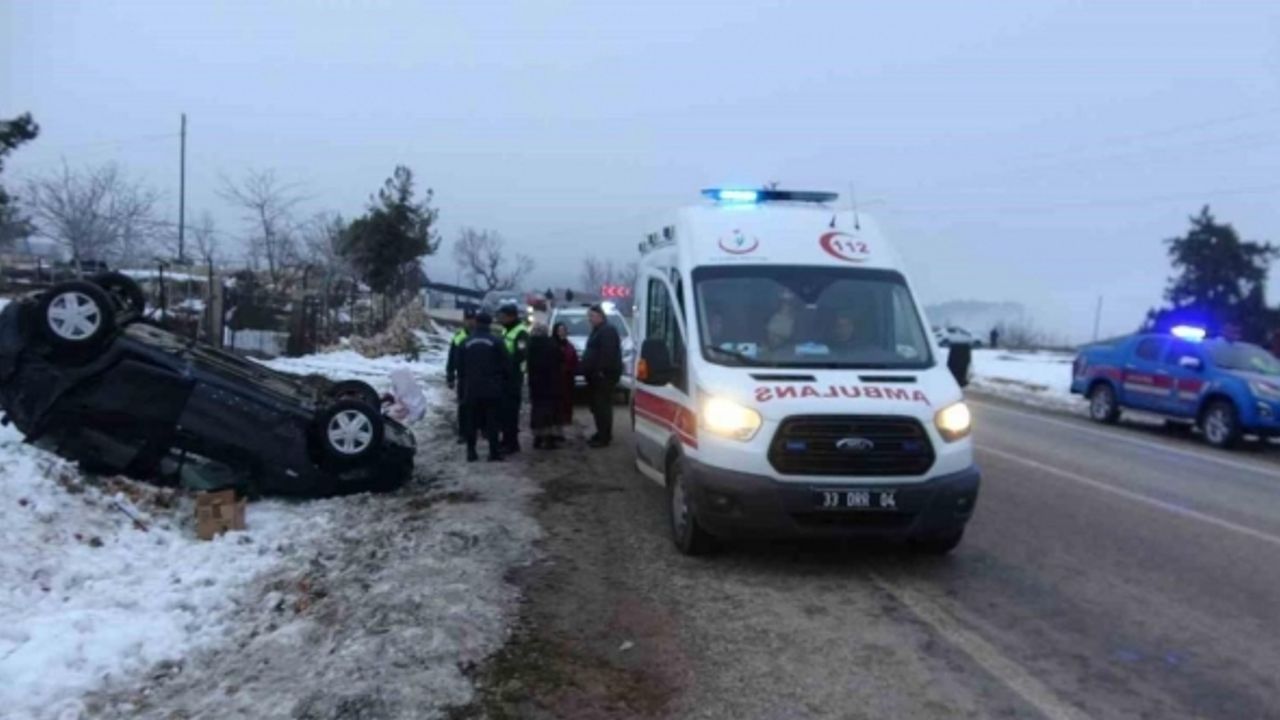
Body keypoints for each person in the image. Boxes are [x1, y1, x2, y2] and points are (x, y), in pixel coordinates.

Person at [457, 312, 509, 462]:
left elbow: (459, 366)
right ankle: (493, 452)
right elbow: (506, 365)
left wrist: (464, 381)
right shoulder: (496, 341)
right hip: (492, 388)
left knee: (471, 421)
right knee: (492, 421)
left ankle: (471, 452)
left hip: (471, 388)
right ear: (490, 323)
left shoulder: (465, 342)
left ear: (476, 323)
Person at [580, 304, 622, 448]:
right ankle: (600, 432)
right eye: (589, 316)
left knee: (602, 407)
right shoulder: (598, 330)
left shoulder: (607, 331)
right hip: (595, 376)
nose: (589, 319)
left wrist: (600, 371)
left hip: (603, 377)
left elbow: (608, 354)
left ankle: (604, 437)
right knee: (597, 407)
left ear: (600, 316)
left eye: (591, 316)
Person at [496, 304, 530, 454]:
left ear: (511, 316)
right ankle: (506, 440)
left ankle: (512, 443)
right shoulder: (506, 330)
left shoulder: (521, 332)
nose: (500, 319)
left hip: (514, 377)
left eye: (502, 316)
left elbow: (520, 355)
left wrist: (504, 364)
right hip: (504, 377)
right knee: (503, 411)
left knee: (511, 411)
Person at [526, 324, 563, 449]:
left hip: (536, 384)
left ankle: (537, 438)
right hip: (551, 383)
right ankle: (549, 439)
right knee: (549, 411)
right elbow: (560, 361)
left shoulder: (530, 345)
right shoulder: (552, 345)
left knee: (536, 409)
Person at [445, 310, 476, 443]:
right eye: (467, 319)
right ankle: (463, 433)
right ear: (464, 320)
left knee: (481, 404)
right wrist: (450, 375)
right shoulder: (458, 337)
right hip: (463, 376)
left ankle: (482, 430)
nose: (470, 322)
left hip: (479, 376)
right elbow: (451, 358)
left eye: (472, 319)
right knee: (463, 406)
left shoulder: (479, 335)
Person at [553, 322, 579, 441]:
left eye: (564, 330)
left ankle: (561, 431)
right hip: (555, 381)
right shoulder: (552, 345)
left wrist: (571, 370)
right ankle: (555, 432)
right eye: (560, 330)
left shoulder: (570, 346)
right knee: (556, 407)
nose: (562, 332)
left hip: (567, 380)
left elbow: (574, 361)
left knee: (565, 406)